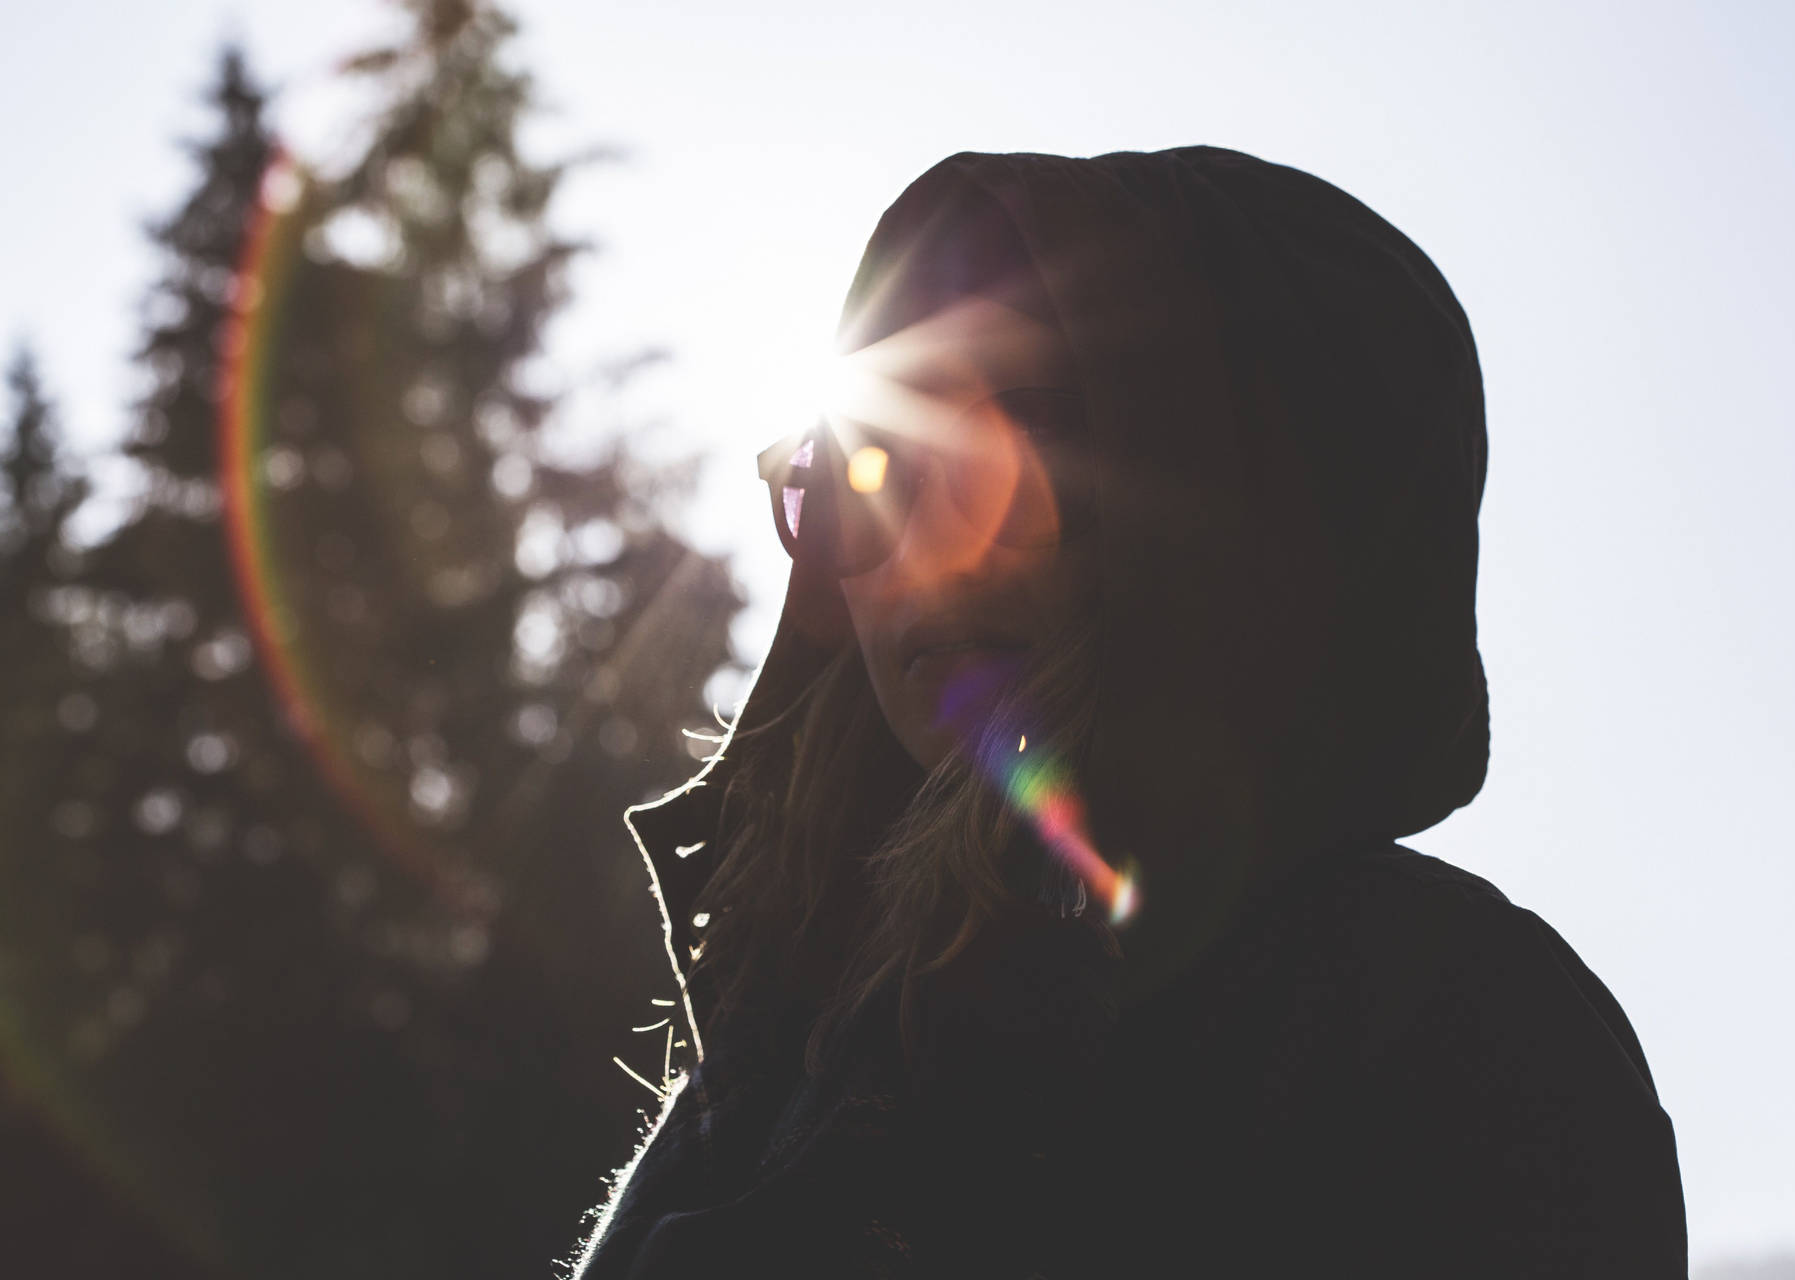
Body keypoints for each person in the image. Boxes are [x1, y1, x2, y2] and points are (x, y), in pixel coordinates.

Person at [570, 146, 1688, 1278]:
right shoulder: (779, 1059)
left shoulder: (1442, 1030)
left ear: (1254, 503)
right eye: (860, 470)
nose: (920, 547)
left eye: (1013, 453)